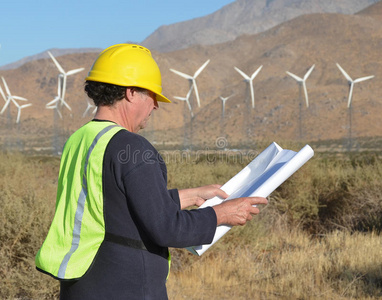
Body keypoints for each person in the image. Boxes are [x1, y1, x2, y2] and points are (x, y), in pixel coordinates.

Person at [35, 44, 268, 300]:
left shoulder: (80, 139)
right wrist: (221, 214)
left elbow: (113, 204)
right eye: (152, 95)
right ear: (132, 92)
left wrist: (186, 196)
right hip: (125, 287)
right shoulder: (132, 146)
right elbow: (167, 228)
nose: (156, 105)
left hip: (83, 283)